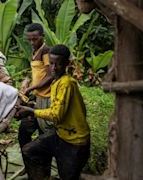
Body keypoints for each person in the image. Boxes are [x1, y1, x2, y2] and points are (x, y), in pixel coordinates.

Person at [17, 45, 91, 180]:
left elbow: (56, 115)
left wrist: (31, 111)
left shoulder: (66, 83)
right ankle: (44, 175)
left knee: (68, 176)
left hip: (75, 142)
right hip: (61, 135)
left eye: (59, 64)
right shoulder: (57, 82)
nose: (54, 67)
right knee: (30, 150)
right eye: (51, 63)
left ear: (67, 65)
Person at [18, 23, 54, 174]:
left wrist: (33, 87)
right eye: (30, 39)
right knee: (23, 132)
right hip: (36, 98)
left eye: (35, 39)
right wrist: (29, 85)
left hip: (47, 97)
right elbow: (37, 73)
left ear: (42, 37)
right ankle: (30, 166)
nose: (32, 42)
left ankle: (44, 169)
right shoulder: (34, 51)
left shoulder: (45, 51)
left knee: (45, 134)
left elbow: (51, 75)